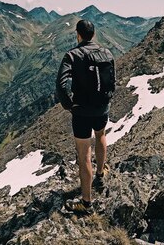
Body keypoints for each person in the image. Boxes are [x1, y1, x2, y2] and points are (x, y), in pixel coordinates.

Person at [55, 19, 115, 215]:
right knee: (101, 135)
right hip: (102, 107)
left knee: (83, 155)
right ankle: (100, 174)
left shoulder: (72, 55)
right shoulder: (107, 52)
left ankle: (86, 203)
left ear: (78, 34)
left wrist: (69, 105)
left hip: (81, 111)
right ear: (93, 34)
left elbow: (61, 84)